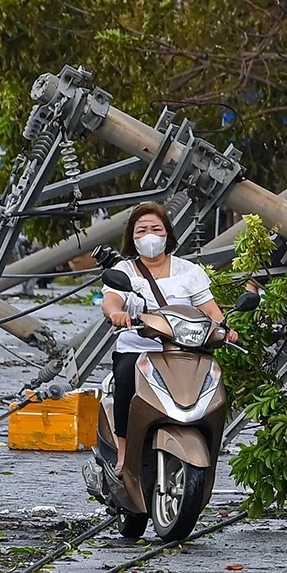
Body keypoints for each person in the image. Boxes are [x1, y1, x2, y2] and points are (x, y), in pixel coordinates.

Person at [98, 203, 233, 474]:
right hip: (138, 349)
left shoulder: (189, 271)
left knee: (211, 380)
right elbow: (111, 300)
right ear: (132, 237)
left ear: (167, 234)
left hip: (185, 350)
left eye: (156, 229)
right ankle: (124, 451)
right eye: (141, 230)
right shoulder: (125, 271)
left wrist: (225, 329)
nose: (149, 235)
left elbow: (211, 311)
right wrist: (116, 313)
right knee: (126, 377)